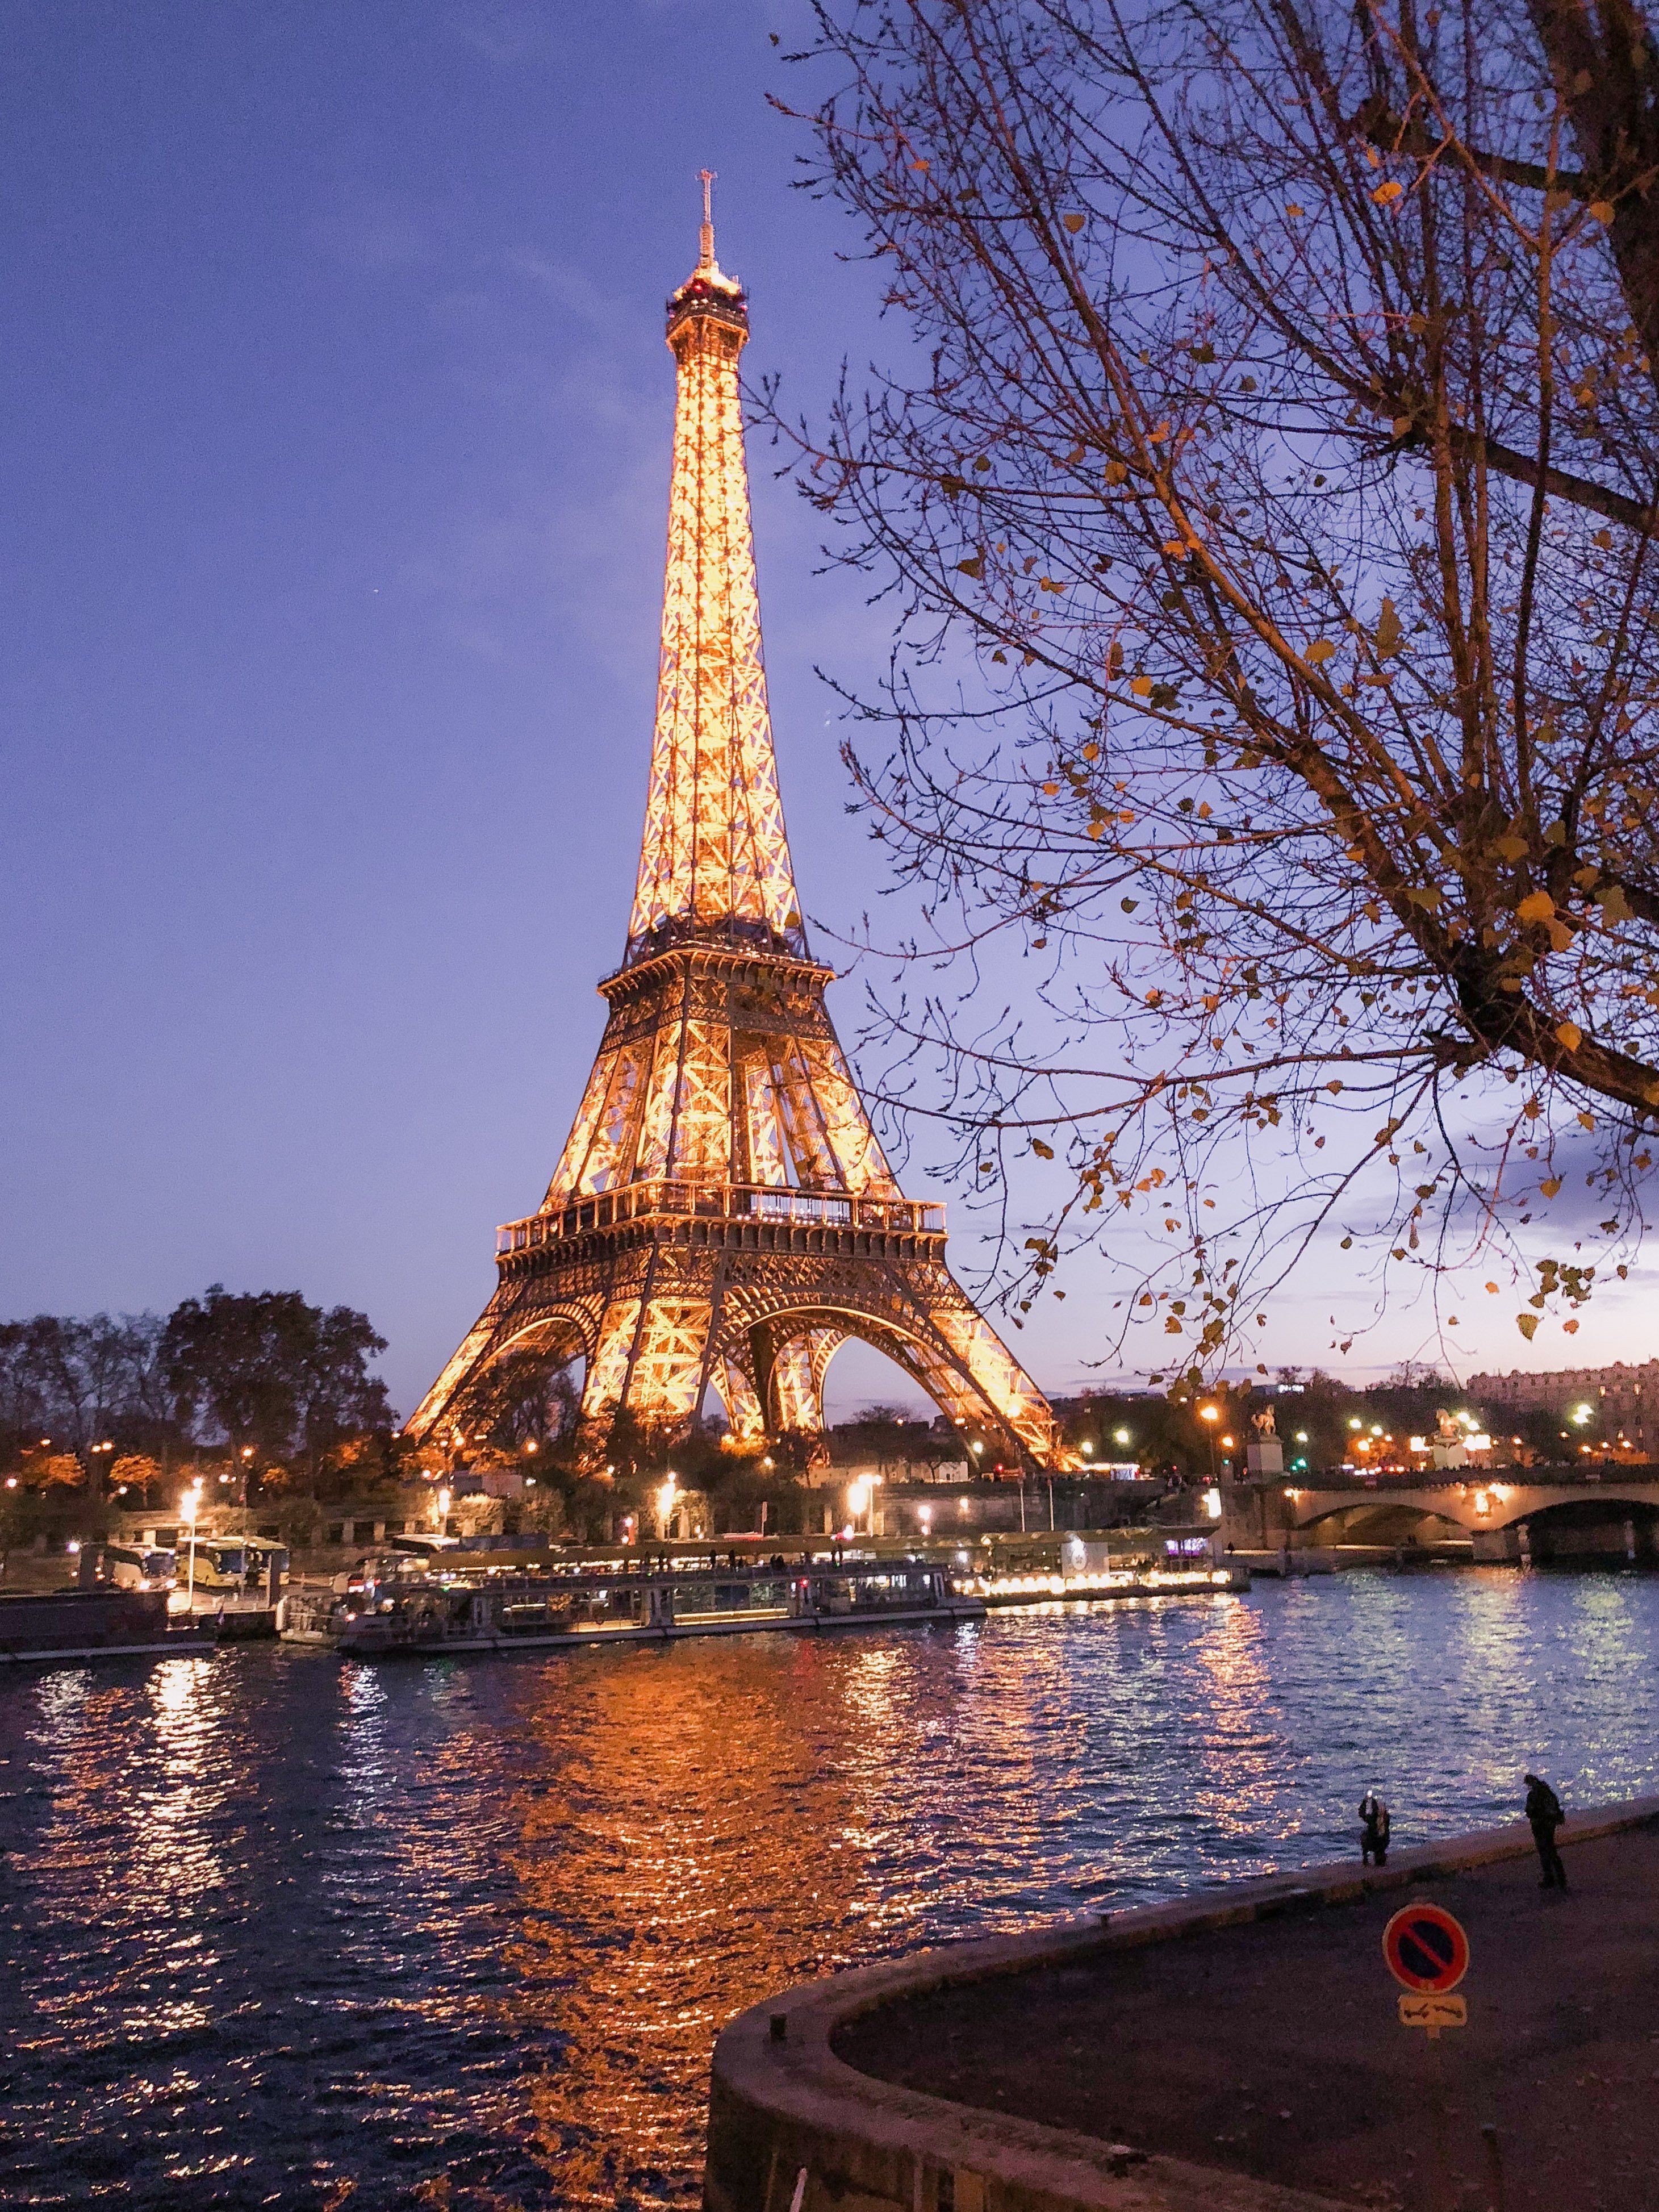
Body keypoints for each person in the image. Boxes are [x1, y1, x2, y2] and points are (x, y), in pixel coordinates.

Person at [1524, 1772, 1568, 1889]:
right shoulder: (1548, 1792)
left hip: (1540, 1827)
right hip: (1550, 1825)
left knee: (1544, 1852)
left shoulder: (1533, 1795)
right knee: (1552, 1851)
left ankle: (1549, 1879)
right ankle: (1561, 1878)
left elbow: (1529, 1811)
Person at [1359, 1788, 1391, 1867]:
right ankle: (1372, 1857)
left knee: (1367, 1837)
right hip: (1381, 1837)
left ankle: (1366, 1859)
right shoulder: (1384, 1817)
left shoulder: (1377, 1816)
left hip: (1376, 1837)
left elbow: (1363, 1814)